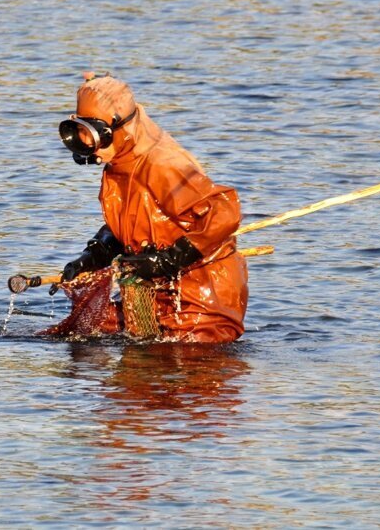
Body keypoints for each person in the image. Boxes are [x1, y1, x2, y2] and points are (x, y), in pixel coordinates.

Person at [48, 72, 248, 342]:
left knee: (185, 362)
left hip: (199, 294)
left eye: (92, 136)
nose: (88, 147)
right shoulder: (120, 164)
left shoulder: (162, 164)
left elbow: (224, 212)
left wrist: (168, 259)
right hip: (153, 287)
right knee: (86, 330)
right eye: (80, 134)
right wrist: (94, 255)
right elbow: (132, 221)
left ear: (119, 129)